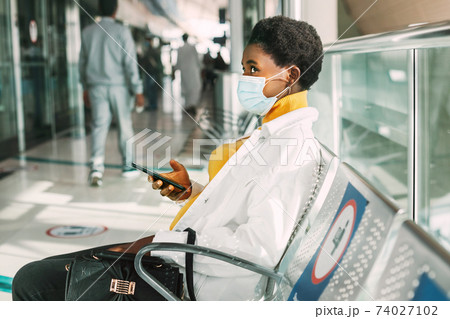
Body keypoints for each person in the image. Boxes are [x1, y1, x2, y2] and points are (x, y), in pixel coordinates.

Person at [12, 16, 323, 301]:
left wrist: (165, 244)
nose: (245, 78)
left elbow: (259, 250)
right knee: (49, 267)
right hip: (183, 258)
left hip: (192, 282)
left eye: (253, 68)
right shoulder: (270, 135)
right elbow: (239, 205)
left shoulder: (291, 151)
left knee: (34, 280)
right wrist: (192, 192)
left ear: (291, 75)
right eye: (243, 68)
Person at [79, 0, 145, 187]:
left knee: (99, 126)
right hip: (119, 87)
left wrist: (85, 87)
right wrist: (138, 90)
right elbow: (130, 63)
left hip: (96, 87)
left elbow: (81, 64)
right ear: (116, 10)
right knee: (124, 126)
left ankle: (96, 168)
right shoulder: (122, 32)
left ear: (99, 9)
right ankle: (127, 166)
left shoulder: (87, 33)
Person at [173, 33, 202, 116]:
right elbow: (197, 60)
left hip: (184, 72)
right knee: (194, 88)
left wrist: (175, 70)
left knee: (186, 89)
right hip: (193, 71)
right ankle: (191, 105)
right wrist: (200, 67)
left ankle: (188, 105)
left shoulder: (180, 49)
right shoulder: (192, 48)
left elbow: (177, 62)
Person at [141, 33, 164, 111]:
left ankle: (152, 105)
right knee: (151, 90)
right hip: (150, 73)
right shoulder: (149, 51)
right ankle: (152, 105)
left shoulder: (151, 51)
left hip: (152, 73)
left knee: (151, 90)